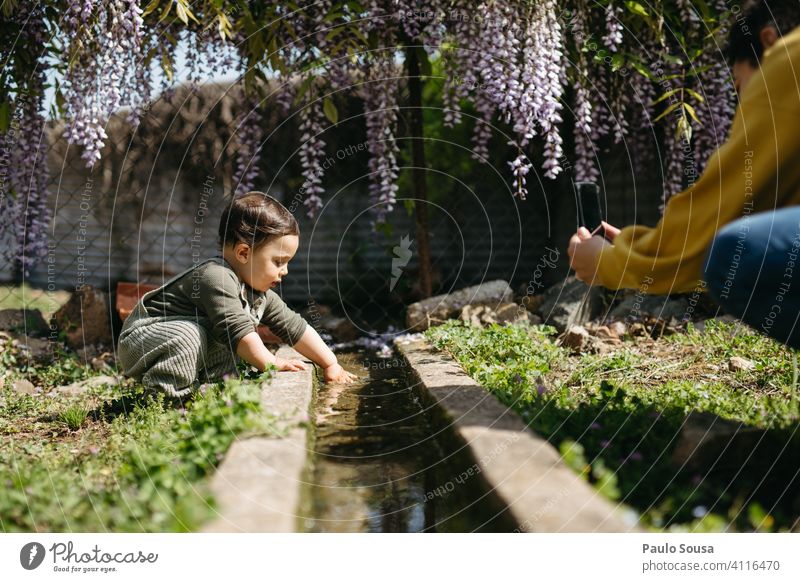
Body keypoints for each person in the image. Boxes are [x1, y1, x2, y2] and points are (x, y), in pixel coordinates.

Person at [567, 0, 800, 303]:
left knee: (732, 250)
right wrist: (640, 247)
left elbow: (721, 220)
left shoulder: (787, 60)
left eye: (739, 82)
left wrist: (612, 261)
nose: (741, 97)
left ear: (768, 41)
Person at [118, 191, 357, 398]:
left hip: (178, 341)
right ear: (243, 253)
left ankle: (200, 388)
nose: (285, 271)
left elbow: (295, 327)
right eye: (278, 261)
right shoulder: (216, 277)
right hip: (143, 337)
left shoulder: (257, 293)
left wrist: (330, 363)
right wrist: (272, 363)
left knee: (234, 352)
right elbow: (238, 331)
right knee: (201, 336)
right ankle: (165, 398)